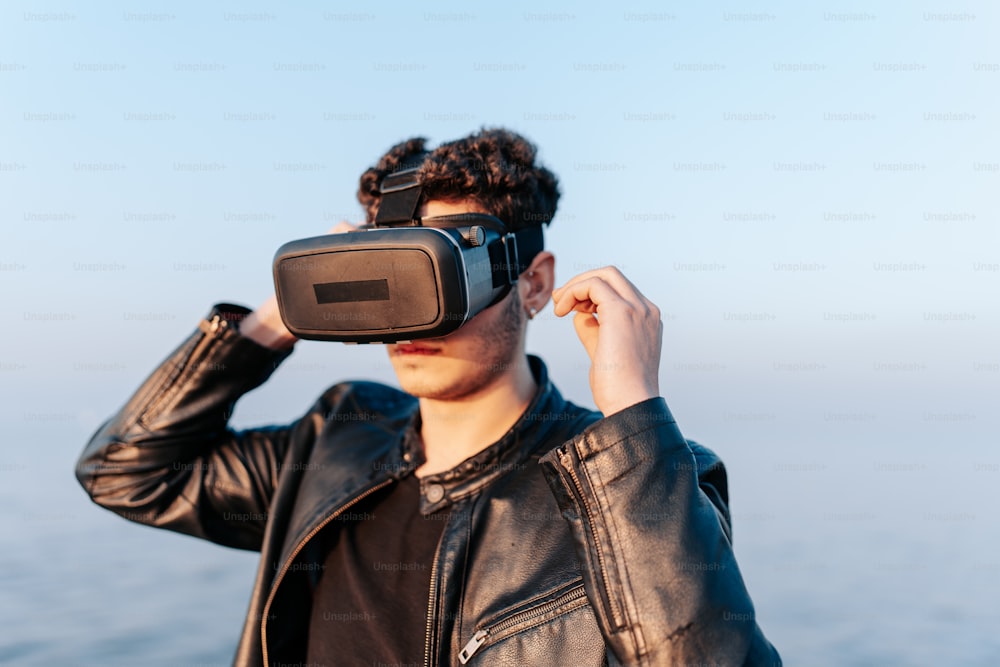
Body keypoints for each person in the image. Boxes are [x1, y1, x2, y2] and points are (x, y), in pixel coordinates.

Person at [76, 128, 781, 666]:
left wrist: (632, 409)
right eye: (391, 273)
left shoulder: (638, 483)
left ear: (533, 283)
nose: (414, 316)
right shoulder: (332, 441)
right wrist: (285, 311)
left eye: (439, 271)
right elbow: (123, 470)